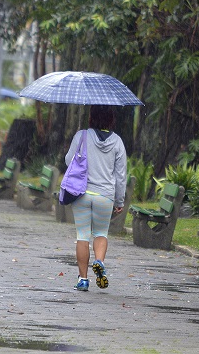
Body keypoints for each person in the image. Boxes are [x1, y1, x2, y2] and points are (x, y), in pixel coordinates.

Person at [65, 105, 127, 291]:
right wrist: (120, 200)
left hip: (82, 193)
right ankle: (99, 261)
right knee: (101, 233)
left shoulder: (81, 136)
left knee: (82, 235)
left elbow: (68, 160)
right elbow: (121, 175)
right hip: (105, 196)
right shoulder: (117, 142)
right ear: (111, 119)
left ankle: (83, 279)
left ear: (92, 117)